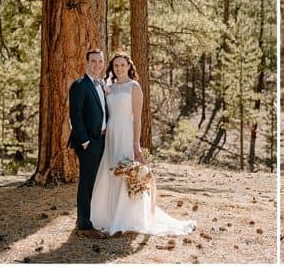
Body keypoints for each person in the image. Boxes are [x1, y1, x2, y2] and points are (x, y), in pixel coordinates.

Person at [89, 52, 194, 236]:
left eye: (122, 65)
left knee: (127, 172)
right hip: (111, 134)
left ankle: (127, 217)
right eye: (116, 66)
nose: (119, 68)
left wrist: (136, 144)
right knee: (112, 170)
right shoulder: (109, 88)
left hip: (126, 133)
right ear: (112, 68)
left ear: (129, 67)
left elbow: (137, 118)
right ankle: (110, 214)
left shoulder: (134, 87)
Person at [68, 48, 108, 238]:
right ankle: (83, 222)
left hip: (102, 140)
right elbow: (75, 116)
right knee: (87, 182)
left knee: (98, 181)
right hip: (89, 143)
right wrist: (84, 141)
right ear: (86, 62)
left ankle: (94, 217)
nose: (97, 65)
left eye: (100, 62)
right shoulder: (80, 85)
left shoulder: (100, 85)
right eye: (93, 61)